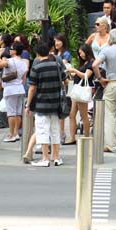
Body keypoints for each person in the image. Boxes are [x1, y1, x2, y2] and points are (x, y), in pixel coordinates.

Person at [26, 39, 64, 167]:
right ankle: (57, 157)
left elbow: (32, 88)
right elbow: (64, 80)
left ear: (37, 54)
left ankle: (45, 158)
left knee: (42, 131)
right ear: (49, 52)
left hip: (41, 104)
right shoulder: (57, 66)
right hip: (56, 103)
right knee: (54, 130)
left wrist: (28, 104)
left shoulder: (36, 68)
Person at [92, 28, 116, 153]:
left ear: (110, 38)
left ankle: (111, 144)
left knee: (110, 114)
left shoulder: (106, 50)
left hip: (112, 83)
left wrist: (100, 78)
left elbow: (95, 65)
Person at [63, 42, 96, 144]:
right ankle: (72, 137)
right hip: (77, 90)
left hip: (82, 90)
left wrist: (74, 71)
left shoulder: (91, 63)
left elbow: (86, 76)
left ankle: (86, 137)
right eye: (79, 53)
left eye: (81, 53)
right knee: (72, 115)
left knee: (83, 114)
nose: (80, 55)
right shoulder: (83, 63)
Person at [0, 40, 29, 143]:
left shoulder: (9, 61)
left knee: (11, 113)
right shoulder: (24, 63)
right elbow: (24, 79)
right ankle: (16, 133)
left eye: (11, 49)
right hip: (20, 88)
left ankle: (11, 134)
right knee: (18, 113)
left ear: (15, 51)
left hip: (10, 89)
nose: (9, 50)